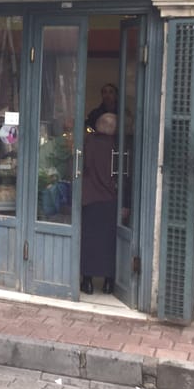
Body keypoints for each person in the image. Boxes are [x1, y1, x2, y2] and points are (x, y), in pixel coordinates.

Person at [80, 112, 118, 295]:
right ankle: (108, 283)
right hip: (110, 199)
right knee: (109, 242)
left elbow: (83, 165)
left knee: (89, 240)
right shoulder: (117, 145)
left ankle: (87, 282)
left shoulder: (89, 142)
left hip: (89, 197)